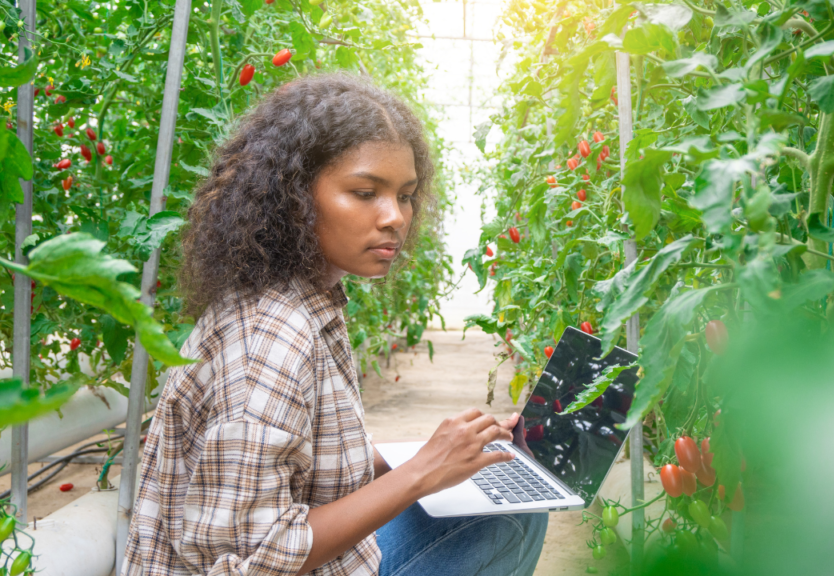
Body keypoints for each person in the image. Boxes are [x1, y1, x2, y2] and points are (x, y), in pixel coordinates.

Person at [121, 73, 548, 576]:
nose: (395, 217)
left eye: (406, 195)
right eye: (365, 192)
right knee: (513, 519)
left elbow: (306, 472)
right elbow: (251, 562)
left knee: (502, 504)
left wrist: (442, 452)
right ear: (294, 195)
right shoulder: (272, 336)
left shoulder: (307, 300)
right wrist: (420, 472)